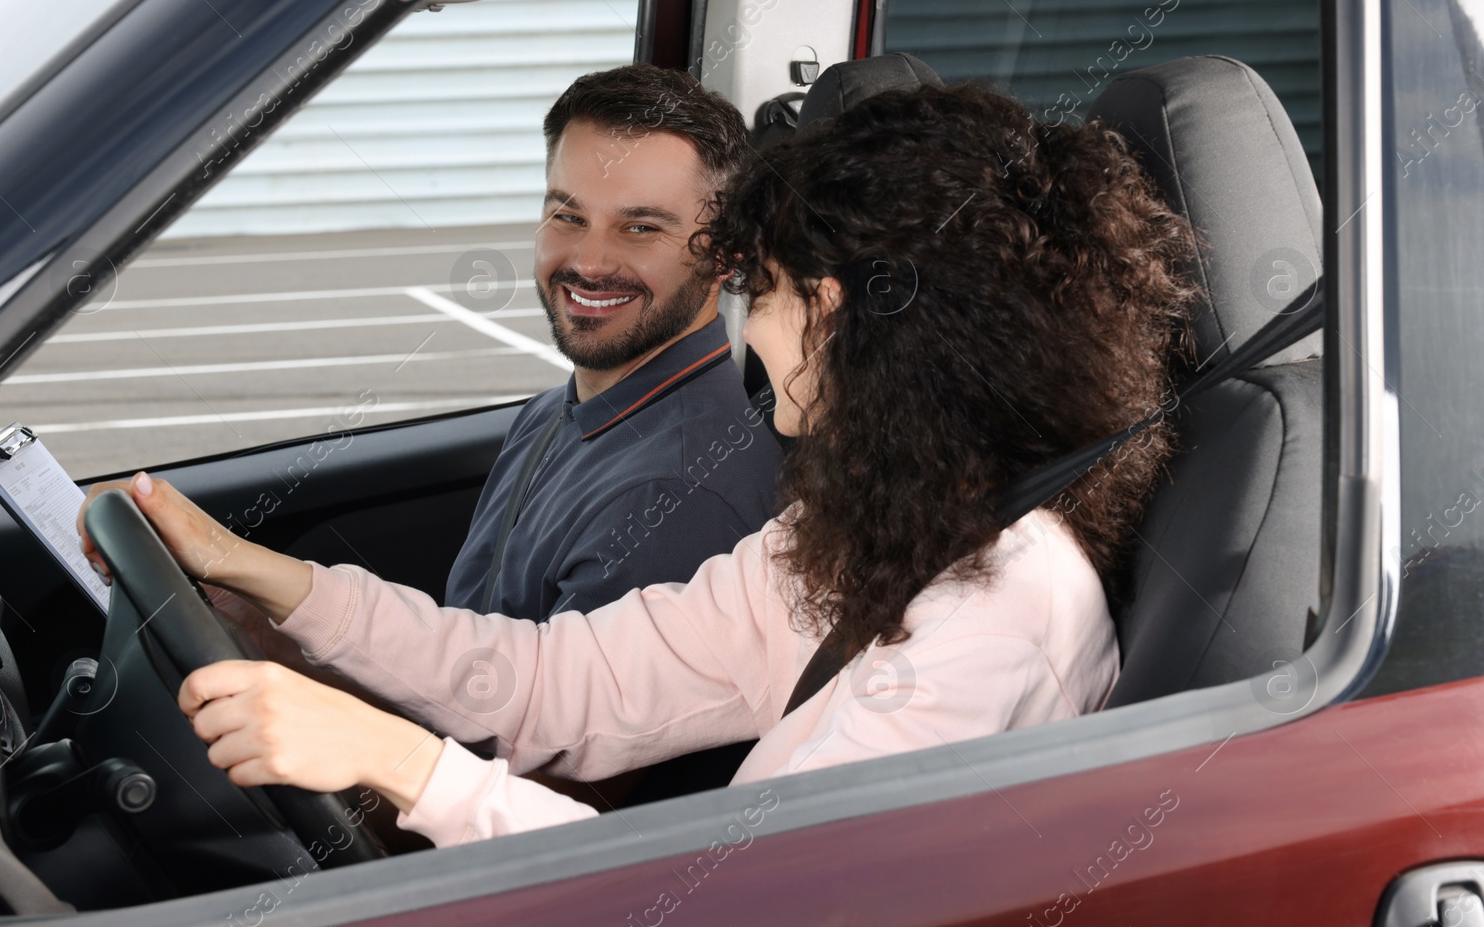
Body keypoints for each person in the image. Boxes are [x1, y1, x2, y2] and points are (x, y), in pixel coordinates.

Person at [79, 80, 1197, 849]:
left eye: (764, 293)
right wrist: (282, 582)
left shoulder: (994, 620)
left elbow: (750, 921)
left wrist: (409, 768)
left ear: (847, 315)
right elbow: (562, 680)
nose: (748, 333)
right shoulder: (882, 534)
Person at [444, 63, 781, 623]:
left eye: (641, 227)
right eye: (568, 215)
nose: (589, 262)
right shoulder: (553, 412)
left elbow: (541, 711)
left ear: (726, 254)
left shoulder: (673, 494)